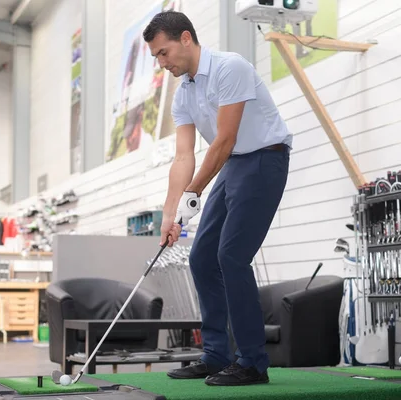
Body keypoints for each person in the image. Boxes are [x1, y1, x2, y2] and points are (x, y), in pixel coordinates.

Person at [143, 11, 292, 386]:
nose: (162, 64)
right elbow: (183, 156)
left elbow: (224, 140)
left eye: (163, 53)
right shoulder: (185, 93)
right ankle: (215, 355)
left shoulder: (231, 68)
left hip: (264, 159)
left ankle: (254, 363)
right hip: (233, 165)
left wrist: (193, 192)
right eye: (156, 57)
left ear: (186, 39)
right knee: (202, 257)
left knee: (232, 256)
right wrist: (168, 214)